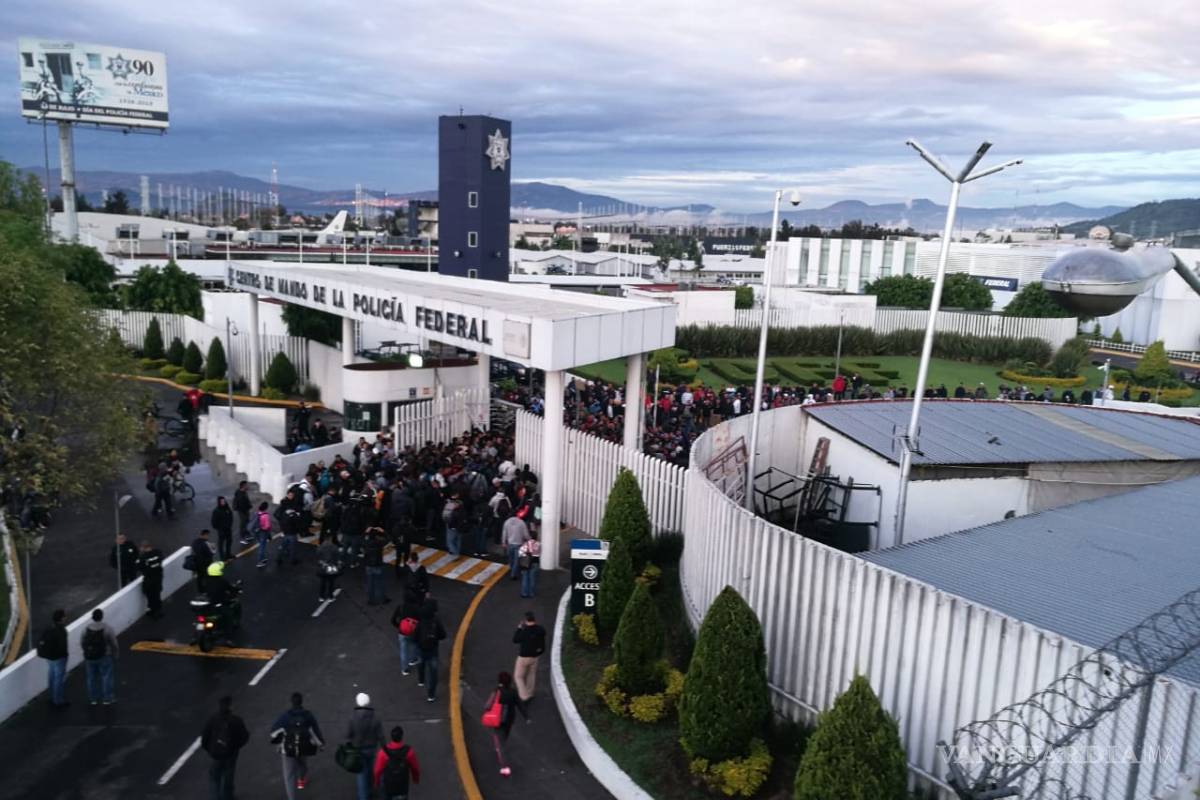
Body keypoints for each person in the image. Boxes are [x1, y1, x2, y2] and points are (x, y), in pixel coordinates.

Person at [270, 692, 325, 798]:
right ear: (301, 702)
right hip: (304, 747)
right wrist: (321, 744)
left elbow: (273, 732)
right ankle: (301, 781)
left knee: (289, 776)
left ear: (291, 702)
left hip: (288, 750)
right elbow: (315, 731)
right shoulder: (308, 715)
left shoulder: (285, 716)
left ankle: (292, 797)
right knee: (302, 765)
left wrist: (279, 741)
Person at [201, 695, 250, 800]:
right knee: (228, 776)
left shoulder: (212, 719)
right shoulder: (236, 720)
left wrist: (210, 750)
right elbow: (245, 737)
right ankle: (228, 797)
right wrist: (235, 748)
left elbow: (204, 738)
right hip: (230, 754)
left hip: (216, 755)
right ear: (230, 705)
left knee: (214, 777)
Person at [483, 671, 527, 777]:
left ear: (500, 681)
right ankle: (499, 744)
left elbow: (487, 705)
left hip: (498, 720)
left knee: (501, 744)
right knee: (504, 736)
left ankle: (505, 767)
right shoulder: (513, 692)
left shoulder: (497, 691)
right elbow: (520, 705)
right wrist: (527, 717)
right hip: (509, 720)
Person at [346, 693, 385, 800]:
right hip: (372, 748)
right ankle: (371, 789)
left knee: (361, 774)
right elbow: (381, 736)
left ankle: (364, 796)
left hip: (358, 750)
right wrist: (385, 749)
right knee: (372, 769)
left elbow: (348, 735)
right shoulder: (376, 718)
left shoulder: (352, 718)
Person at [372, 726, 421, 800]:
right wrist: (415, 779)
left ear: (391, 737)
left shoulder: (383, 752)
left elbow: (377, 770)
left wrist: (376, 782)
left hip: (387, 785)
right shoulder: (408, 751)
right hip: (402, 785)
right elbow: (415, 768)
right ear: (401, 737)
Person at [81, 608, 118, 705]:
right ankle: (107, 698)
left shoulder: (86, 628)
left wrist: (86, 651)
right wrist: (115, 653)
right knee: (106, 677)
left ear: (92, 617)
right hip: (104, 656)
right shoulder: (107, 628)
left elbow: (82, 642)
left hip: (89, 657)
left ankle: (93, 699)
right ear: (102, 617)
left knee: (91, 678)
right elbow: (114, 643)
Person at [36, 609, 69, 709]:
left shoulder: (48, 628)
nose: (66, 618)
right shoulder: (61, 630)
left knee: (51, 676)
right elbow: (63, 645)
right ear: (61, 618)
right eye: (64, 616)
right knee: (59, 679)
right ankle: (58, 701)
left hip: (49, 657)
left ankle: (51, 697)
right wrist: (65, 655)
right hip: (59, 657)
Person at [416, 596, 447, 702]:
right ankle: (431, 694)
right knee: (433, 673)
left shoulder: (420, 622)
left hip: (421, 649)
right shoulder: (436, 621)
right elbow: (443, 635)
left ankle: (421, 680)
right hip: (433, 650)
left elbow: (414, 636)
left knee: (421, 663)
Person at [512, 611, 547, 703]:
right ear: (534, 619)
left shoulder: (524, 631)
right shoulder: (540, 629)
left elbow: (515, 639)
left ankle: (524, 696)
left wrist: (519, 628)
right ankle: (530, 693)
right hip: (535, 656)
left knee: (518, 676)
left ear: (525, 620)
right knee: (531, 675)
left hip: (523, 657)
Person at [363, 526, 390, 606]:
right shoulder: (379, 543)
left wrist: (366, 532)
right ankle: (383, 599)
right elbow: (388, 539)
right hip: (378, 565)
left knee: (370, 583)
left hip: (368, 565)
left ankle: (371, 600)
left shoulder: (366, 542)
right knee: (380, 583)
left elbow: (361, 539)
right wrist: (383, 531)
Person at [138, 540, 165, 619]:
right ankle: (158, 611)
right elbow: (161, 558)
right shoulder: (158, 552)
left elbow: (140, 567)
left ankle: (154, 611)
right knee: (157, 594)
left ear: (143, 548)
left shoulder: (143, 557)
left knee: (150, 596)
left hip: (149, 579)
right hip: (158, 577)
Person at [502, 513, 530, 581]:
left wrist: (503, 542)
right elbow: (525, 534)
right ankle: (513, 574)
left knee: (511, 558)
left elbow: (504, 533)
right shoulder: (521, 522)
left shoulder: (506, 522)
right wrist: (529, 539)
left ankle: (512, 570)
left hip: (510, 544)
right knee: (516, 560)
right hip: (519, 544)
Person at [316, 538, 341, 602]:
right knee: (331, 583)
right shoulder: (334, 547)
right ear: (330, 540)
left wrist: (322, 563)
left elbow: (318, 558)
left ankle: (321, 597)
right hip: (331, 567)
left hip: (323, 568)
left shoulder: (320, 547)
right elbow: (337, 558)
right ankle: (330, 597)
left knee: (322, 583)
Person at [517, 532, 541, 598]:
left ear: (530, 536)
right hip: (535, 563)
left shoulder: (526, 544)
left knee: (525, 578)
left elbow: (520, 553)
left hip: (526, 563)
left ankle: (524, 593)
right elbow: (539, 553)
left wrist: (525, 556)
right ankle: (531, 593)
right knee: (532, 579)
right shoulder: (538, 544)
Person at [211, 497, 235, 561]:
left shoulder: (227, 508)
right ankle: (222, 556)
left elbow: (231, 516)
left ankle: (228, 554)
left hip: (228, 529)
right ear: (219, 502)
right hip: (221, 530)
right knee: (221, 543)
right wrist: (220, 529)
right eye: (222, 501)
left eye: (224, 501)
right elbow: (214, 523)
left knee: (229, 542)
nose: (223, 502)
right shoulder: (216, 511)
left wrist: (230, 525)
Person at [255, 501, 273, 568]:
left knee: (261, 545)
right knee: (262, 547)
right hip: (263, 532)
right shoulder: (266, 515)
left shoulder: (257, 513)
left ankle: (263, 558)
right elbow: (267, 526)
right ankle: (259, 561)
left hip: (257, 532)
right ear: (266, 508)